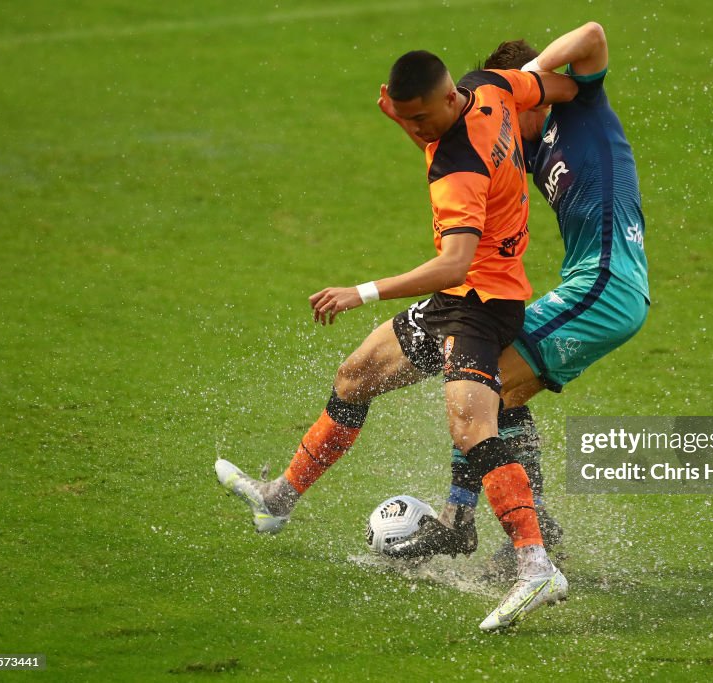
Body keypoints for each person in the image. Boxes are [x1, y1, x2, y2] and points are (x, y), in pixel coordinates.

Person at [215, 49, 578, 631]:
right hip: (457, 303)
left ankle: (535, 567)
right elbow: (559, 86)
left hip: (480, 307)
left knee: (471, 427)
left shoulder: (457, 167)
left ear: (448, 99)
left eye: (421, 121)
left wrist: (361, 291)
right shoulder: (492, 88)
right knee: (353, 377)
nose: (415, 131)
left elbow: (454, 264)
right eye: (404, 120)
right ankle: (279, 499)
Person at [382, 23, 651, 573]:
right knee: (496, 390)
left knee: (487, 389)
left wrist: (528, 76)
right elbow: (463, 150)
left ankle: (478, 527)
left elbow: (596, 34)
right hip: (593, 284)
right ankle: (530, 527)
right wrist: (406, 123)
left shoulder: (585, 108)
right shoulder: (524, 145)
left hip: (607, 285)